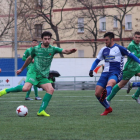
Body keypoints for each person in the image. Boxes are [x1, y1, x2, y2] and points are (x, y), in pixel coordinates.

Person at [0, 31, 77, 117]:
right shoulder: (36, 49)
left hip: (43, 75)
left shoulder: (53, 49)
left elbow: (64, 51)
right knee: (26, 88)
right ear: (42, 39)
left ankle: (41, 111)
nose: (47, 40)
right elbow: (29, 59)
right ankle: (5, 91)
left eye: (48, 39)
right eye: (45, 39)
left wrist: (71, 51)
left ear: (50, 39)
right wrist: (21, 69)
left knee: (50, 90)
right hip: (33, 72)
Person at [89, 32, 140, 116]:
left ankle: (106, 95)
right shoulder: (103, 49)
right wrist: (91, 69)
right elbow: (96, 61)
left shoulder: (119, 48)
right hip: (105, 73)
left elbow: (132, 56)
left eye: (107, 40)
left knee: (111, 83)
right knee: (97, 93)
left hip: (116, 72)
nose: (105, 41)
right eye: (104, 40)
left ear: (112, 39)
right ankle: (108, 108)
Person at [107, 31, 140, 104]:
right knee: (121, 85)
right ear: (133, 37)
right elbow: (135, 56)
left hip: (137, 67)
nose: (137, 39)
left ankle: (135, 95)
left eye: (139, 37)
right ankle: (108, 99)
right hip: (130, 68)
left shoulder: (139, 45)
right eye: (136, 37)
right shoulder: (132, 45)